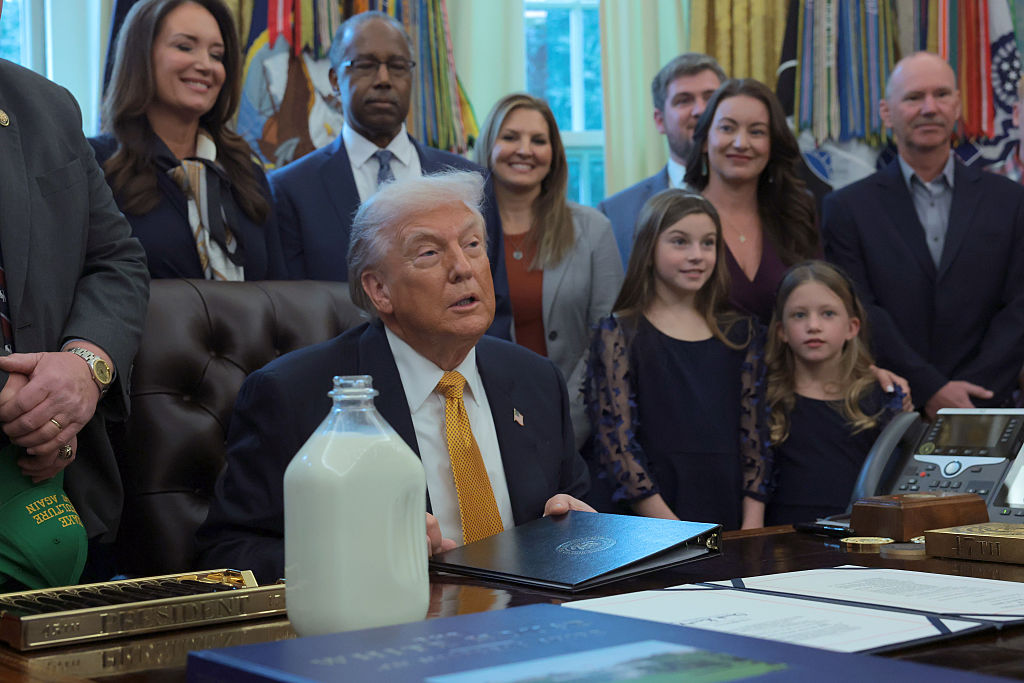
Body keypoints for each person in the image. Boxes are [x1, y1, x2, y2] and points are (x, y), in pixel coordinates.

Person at [196, 171, 592, 584]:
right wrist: (356, 557)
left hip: (534, 616)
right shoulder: (294, 396)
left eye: (472, 244)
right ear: (379, 290)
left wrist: (580, 529)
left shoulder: (536, 380)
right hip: (395, 619)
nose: (463, 267)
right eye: (429, 253)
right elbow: (228, 553)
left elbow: (580, 512)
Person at [269, 11, 512, 338]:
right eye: (365, 65)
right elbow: (289, 313)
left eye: (397, 66)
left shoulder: (470, 181)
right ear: (334, 81)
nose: (383, 79)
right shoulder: (291, 189)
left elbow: (493, 304)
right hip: (340, 366)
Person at [0, 52, 150, 582]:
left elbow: (117, 261)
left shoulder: (47, 105)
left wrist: (84, 368)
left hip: (64, 484)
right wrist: (26, 402)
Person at [823, 52, 1024, 419]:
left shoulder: (1011, 201)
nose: (930, 108)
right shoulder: (846, 209)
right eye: (914, 97)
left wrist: (970, 396)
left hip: (987, 406)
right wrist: (930, 388)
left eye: (941, 94)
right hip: (888, 411)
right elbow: (861, 308)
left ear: (957, 105)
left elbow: (1018, 306)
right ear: (886, 112)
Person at [584, 189, 767, 530]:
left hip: (728, 506)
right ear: (649, 248)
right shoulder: (619, 333)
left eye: (708, 243)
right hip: (652, 520)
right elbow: (617, 447)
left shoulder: (742, 333)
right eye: (680, 242)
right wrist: (676, 530)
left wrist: (752, 523)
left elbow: (755, 439)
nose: (697, 255)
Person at [91, 0, 285, 281]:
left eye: (216, 55)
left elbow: (281, 293)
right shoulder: (95, 166)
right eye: (184, 47)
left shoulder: (248, 173)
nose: (206, 65)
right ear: (141, 56)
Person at [473, 93, 622, 434]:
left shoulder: (594, 229)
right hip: (481, 418)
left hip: (575, 421)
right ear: (488, 145)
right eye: (510, 137)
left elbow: (607, 338)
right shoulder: (457, 234)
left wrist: (564, 420)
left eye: (538, 140)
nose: (525, 150)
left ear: (554, 154)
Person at [764, 262, 906, 526]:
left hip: (860, 535)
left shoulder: (879, 398)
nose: (813, 326)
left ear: (852, 327)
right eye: (799, 315)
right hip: (783, 536)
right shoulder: (766, 397)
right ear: (782, 331)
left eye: (828, 314)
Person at [683, 78, 819, 325]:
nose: (741, 143)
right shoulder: (677, 219)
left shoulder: (798, 214)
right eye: (727, 128)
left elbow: (822, 303)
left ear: (772, 145)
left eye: (756, 132)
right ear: (704, 140)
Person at [598, 54, 725, 266]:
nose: (700, 110)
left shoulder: (766, 203)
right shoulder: (615, 215)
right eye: (684, 100)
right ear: (660, 121)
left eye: (710, 98)